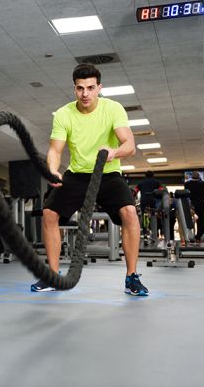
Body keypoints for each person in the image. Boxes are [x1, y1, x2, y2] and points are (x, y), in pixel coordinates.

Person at [31, 63, 148, 296]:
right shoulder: (64, 114)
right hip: (77, 174)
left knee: (129, 213)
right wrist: (53, 170)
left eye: (91, 88)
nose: (85, 94)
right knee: (49, 213)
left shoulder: (113, 109)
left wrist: (113, 152)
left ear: (99, 88)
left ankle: (131, 277)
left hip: (108, 173)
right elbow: (55, 150)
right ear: (74, 89)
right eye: (80, 88)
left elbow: (130, 145)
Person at [134, 171, 163, 236]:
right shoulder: (156, 182)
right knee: (154, 216)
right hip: (153, 201)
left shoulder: (141, 182)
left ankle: (145, 233)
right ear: (153, 175)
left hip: (144, 201)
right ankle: (154, 233)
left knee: (144, 216)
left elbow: (135, 190)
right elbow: (161, 190)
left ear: (145, 175)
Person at [184, 171, 204, 242]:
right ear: (199, 177)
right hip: (200, 205)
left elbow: (186, 194)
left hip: (190, 205)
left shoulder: (187, 183)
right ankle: (198, 237)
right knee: (200, 222)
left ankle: (189, 237)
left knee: (189, 221)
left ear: (192, 177)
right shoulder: (202, 183)